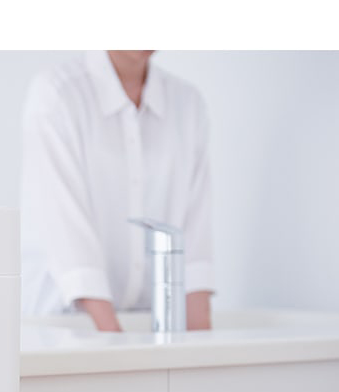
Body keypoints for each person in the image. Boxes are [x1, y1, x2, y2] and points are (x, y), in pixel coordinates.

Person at [20, 50, 214, 331]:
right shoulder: (57, 94)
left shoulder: (188, 104)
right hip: (63, 325)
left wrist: (199, 350)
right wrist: (117, 347)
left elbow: (194, 251)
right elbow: (71, 246)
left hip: (144, 329)